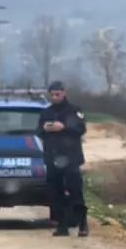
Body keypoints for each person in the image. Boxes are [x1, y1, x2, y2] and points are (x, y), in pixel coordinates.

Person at [37, 81, 88, 237]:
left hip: (70, 158)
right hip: (52, 158)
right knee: (57, 194)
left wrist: (63, 127)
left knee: (75, 192)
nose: (55, 97)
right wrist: (45, 129)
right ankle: (62, 226)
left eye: (58, 94)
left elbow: (81, 129)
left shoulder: (74, 111)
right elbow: (38, 131)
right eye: (52, 94)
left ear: (64, 93)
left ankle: (82, 224)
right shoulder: (46, 112)